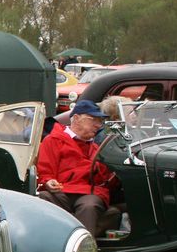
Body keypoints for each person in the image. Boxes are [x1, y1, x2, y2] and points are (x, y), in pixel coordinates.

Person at [37, 100, 118, 237]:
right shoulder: (53, 140)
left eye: (100, 122)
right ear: (76, 118)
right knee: (44, 198)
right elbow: (45, 170)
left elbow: (105, 180)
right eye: (94, 120)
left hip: (88, 194)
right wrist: (48, 181)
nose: (98, 126)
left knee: (89, 205)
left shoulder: (98, 147)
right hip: (61, 191)